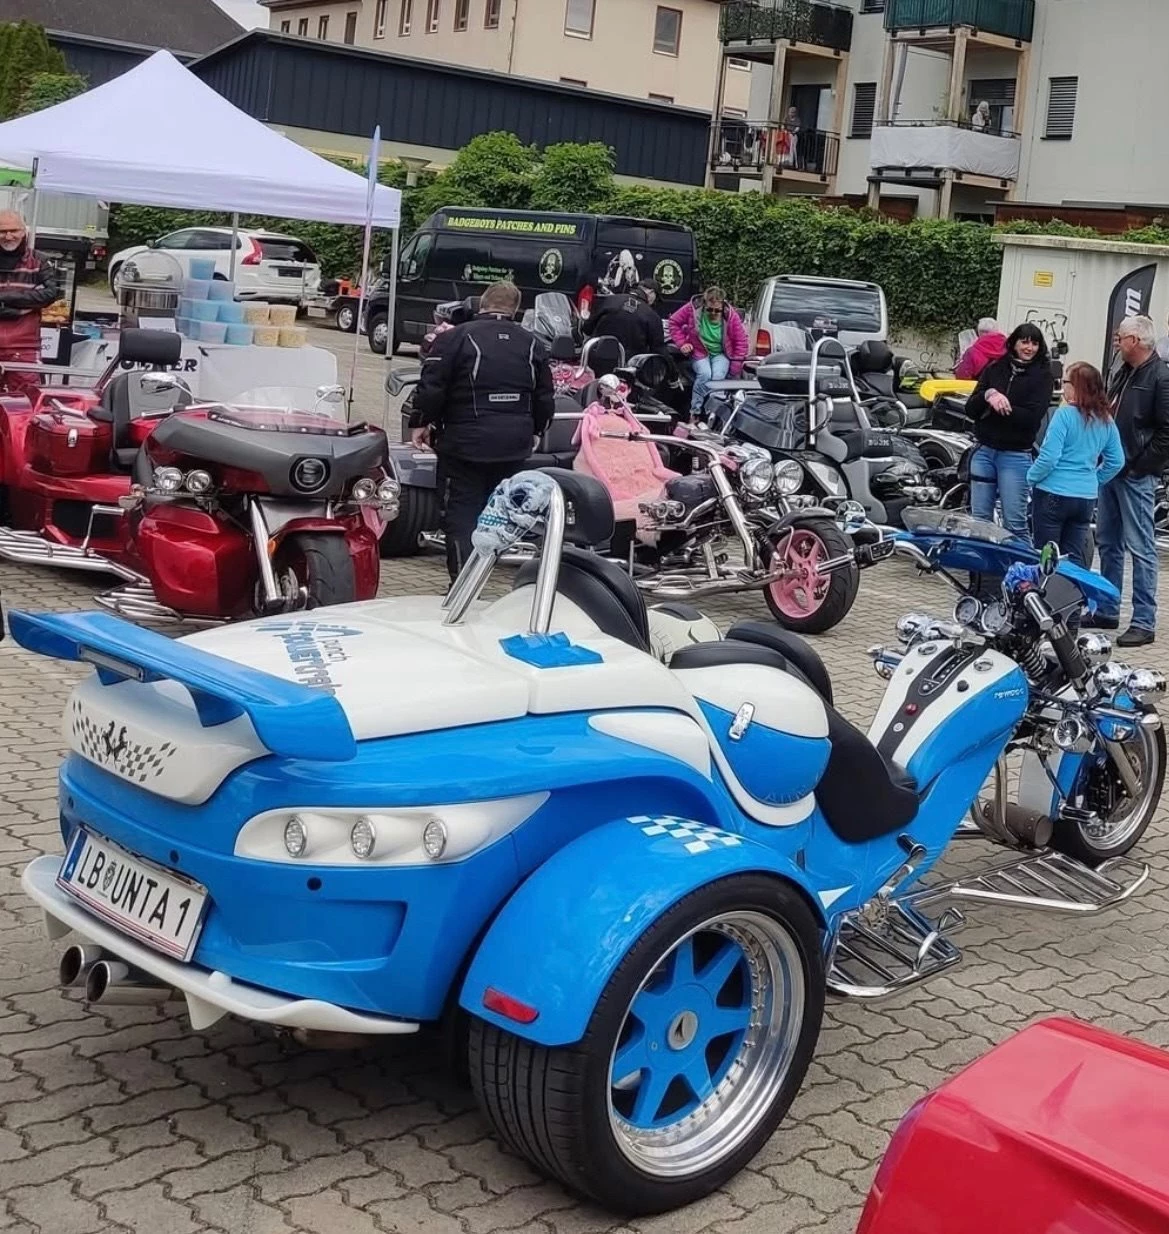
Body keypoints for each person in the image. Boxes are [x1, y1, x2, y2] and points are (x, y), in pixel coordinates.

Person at [411, 281, 555, 582]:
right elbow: (544, 395)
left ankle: (463, 585)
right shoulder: (532, 343)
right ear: (516, 309)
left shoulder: (454, 337)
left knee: (460, 513)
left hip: (464, 443)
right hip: (513, 444)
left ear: (482, 304)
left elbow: (432, 385)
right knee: (500, 513)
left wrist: (421, 422)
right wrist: (537, 430)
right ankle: (486, 578)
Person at [1085, 315, 1169, 646]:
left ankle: (1144, 621)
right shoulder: (1124, 371)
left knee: (1141, 547)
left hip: (1135, 474)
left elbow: (1166, 431)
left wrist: (1139, 467)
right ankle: (1107, 608)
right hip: (1111, 470)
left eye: (1120, 337)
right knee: (1108, 542)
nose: (1116, 342)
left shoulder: (1160, 377)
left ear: (1135, 340)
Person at [1027, 362, 1124, 567]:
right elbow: (1117, 460)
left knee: (1047, 555)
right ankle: (1072, 587)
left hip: (1053, 492)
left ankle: (1047, 588)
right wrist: (1094, 480)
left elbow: (1050, 457)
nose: (1062, 387)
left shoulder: (1064, 415)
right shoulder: (1106, 419)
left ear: (1077, 387)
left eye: (1065, 382)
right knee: (1074, 557)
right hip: (1085, 497)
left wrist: (1031, 477)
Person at [965, 322, 1053, 540]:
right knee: (980, 522)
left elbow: (1032, 417)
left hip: (1015, 456)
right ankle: (983, 562)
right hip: (984, 452)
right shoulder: (994, 368)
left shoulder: (1043, 377)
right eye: (1024, 342)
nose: (1029, 348)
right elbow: (971, 409)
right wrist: (988, 395)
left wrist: (1004, 407)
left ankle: (1022, 562)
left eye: (1034, 343)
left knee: (1014, 523)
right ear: (1014, 343)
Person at [0, 210, 60, 400]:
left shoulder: (39, 261)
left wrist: (7, 298)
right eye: (2, 231)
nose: (8, 236)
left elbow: (50, 294)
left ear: (24, 231)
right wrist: (24, 305)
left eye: (14, 230)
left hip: (25, 347)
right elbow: (41, 296)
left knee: (26, 402)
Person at [667, 287, 749, 415]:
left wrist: (735, 368)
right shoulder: (692, 309)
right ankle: (695, 412)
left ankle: (713, 414)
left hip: (721, 353)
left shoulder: (731, 316)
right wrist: (683, 343)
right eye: (709, 309)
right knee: (704, 374)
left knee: (717, 378)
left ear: (723, 306)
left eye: (717, 310)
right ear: (704, 304)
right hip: (699, 351)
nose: (713, 313)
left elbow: (741, 342)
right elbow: (673, 322)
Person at [584, 280, 666, 358]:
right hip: (630, 364)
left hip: (596, 357)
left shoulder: (610, 300)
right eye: (656, 298)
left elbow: (587, 328)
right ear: (651, 292)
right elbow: (658, 349)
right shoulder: (651, 315)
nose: (654, 302)